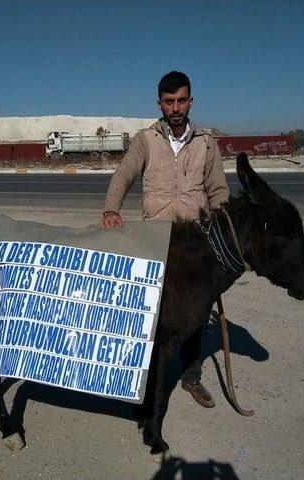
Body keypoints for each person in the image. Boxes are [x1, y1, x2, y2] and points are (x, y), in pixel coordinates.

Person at [99, 71, 229, 408]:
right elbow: (124, 174)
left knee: (197, 315)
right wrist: (111, 209)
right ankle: (145, 377)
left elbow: (217, 190)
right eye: (169, 101)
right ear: (160, 104)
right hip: (156, 241)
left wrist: (221, 228)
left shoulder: (205, 142)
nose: (175, 107)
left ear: (190, 101)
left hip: (197, 244)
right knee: (152, 313)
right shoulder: (145, 140)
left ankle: (191, 377)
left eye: (181, 100)